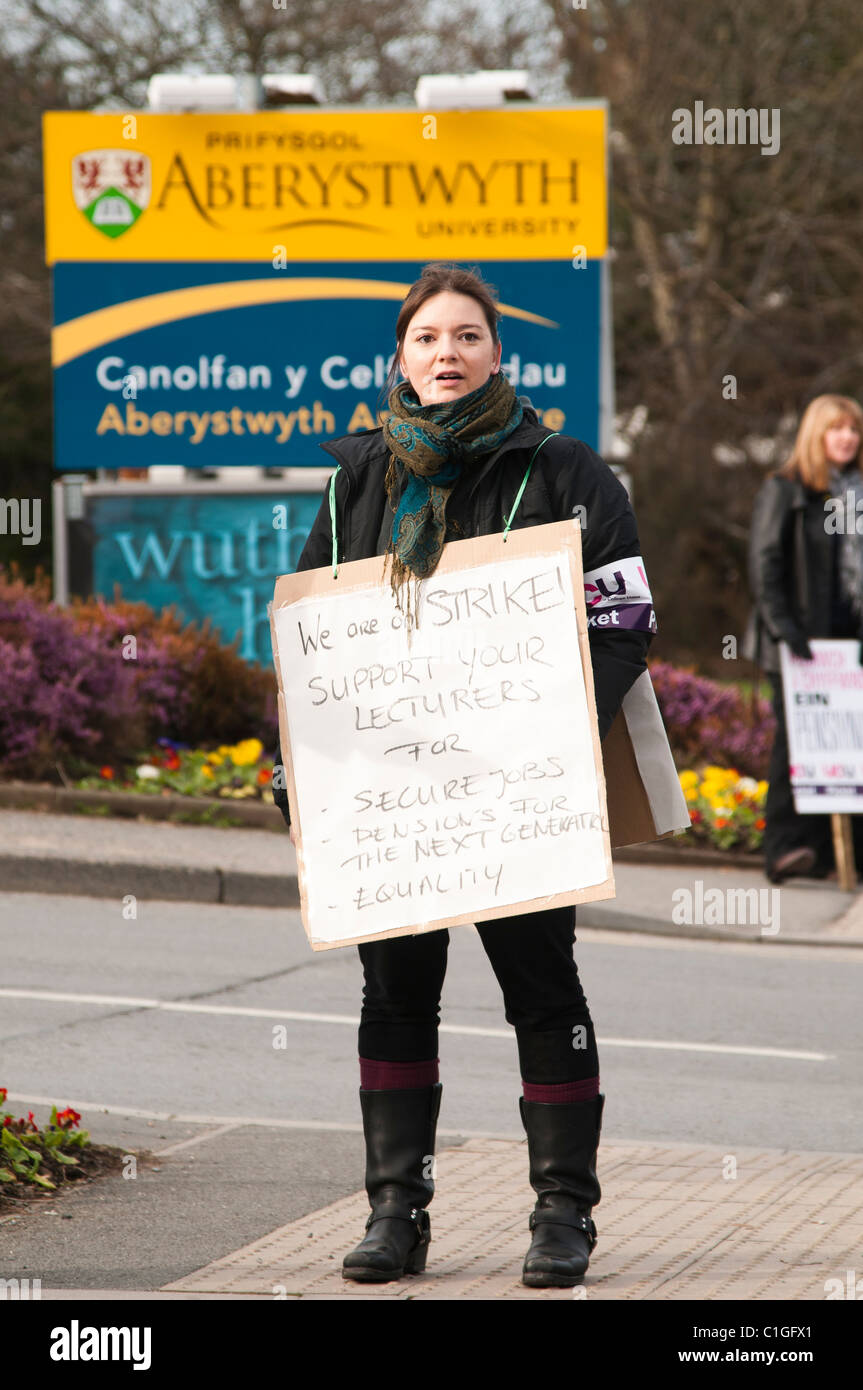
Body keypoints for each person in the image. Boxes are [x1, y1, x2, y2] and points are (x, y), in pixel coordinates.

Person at [271, 261, 657, 1287]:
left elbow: (624, 619)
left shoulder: (565, 471)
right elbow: (311, 636)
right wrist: (299, 761)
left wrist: (554, 731)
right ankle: (395, 1212)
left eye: (467, 336)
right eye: (427, 337)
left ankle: (562, 1213)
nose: (447, 352)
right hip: (392, 795)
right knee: (394, 996)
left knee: (543, 989)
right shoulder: (357, 478)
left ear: (496, 354)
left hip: (519, 788)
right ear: (401, 359)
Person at [742, 393, 863, 883]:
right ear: (817, 434)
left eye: (854, 430)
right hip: (795, 644)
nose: (847, 438)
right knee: (796, 742)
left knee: (849, 743)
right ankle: (787, 847)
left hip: (847, 644)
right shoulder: (785, 489)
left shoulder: (856, 494)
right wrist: (784, 629)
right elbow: (765, 563)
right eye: (837, 429)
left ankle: (839, 855)